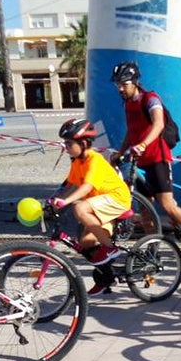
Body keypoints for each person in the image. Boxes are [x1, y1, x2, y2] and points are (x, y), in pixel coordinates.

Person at [110, 60, 181, 254]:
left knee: (168, 205)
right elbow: (131, 131)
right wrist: (121, 153)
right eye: (117, 84)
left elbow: (159, 124)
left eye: (124, 84)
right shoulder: (128, 104)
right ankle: (153, 249)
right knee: (145, 210)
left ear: (135, 81)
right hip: (141, 162)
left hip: (158, 158)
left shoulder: (150, 99)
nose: (120, 88)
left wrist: (143, 144)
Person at [52, 118, 132, 296]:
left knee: (80, 208)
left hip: (116, 199)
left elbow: (86, 187)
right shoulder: (77, 162)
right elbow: (71, 186)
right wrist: (55, 200)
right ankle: (106, 279)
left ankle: (110, 248)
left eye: (69, 143)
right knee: (86, 243)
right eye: (65, 143)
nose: (66, 147)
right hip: (99, 204)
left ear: (82, 143)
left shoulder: (94, 160)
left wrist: (66, 202)